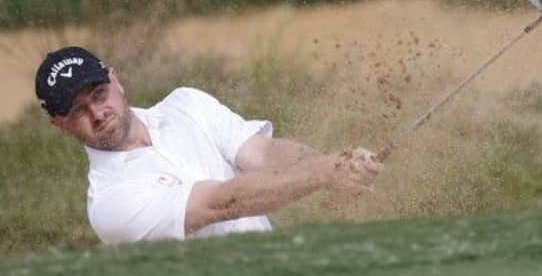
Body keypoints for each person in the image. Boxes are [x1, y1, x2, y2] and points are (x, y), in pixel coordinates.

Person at [35, 46, 383, 244]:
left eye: (99, 94)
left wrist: (333, 164)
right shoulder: (111, 203)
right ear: (60, 124)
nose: (98, 113)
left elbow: (262, 154)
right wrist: (324, 171)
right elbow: (224, 203)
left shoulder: (186, 104)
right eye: (78, 110)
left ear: (116, 81)